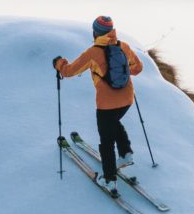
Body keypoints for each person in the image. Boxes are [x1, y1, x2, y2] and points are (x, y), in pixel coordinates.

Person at [53, 15, 144, 194]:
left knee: (107, 140)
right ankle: (126, 153)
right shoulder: (123, 46)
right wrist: (122, 74)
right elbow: (138, 68)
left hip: (106, 103)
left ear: (95, 32)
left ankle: (109, 180)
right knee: (114, 123)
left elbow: (69, 71)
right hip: (126, 99)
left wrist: (59, 64)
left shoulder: (93, 52)